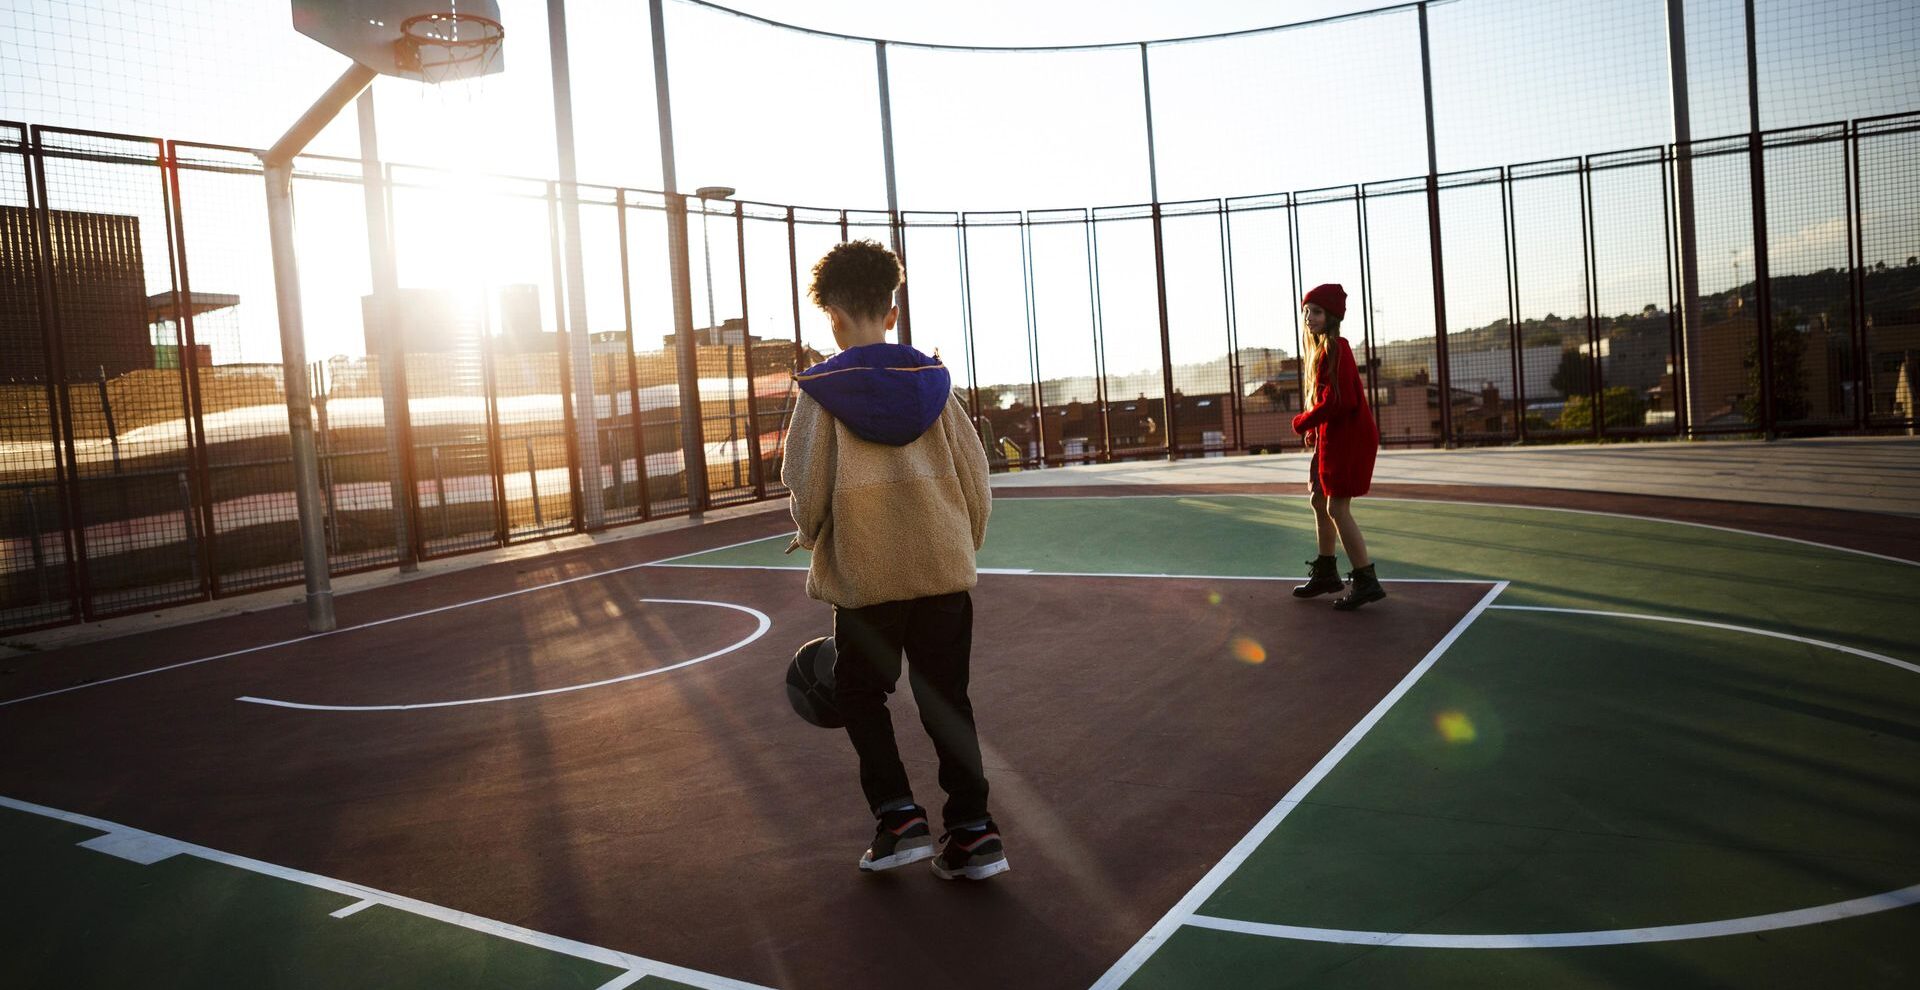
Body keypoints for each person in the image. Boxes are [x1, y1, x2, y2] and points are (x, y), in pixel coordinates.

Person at [781, 239, 1007, 881]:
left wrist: (812, 532)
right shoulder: (932, 382)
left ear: (831, 317)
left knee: (859, 694)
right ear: (892, 309)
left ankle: (898, 818)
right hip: (941, 566)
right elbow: (975, 476)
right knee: (947, 701)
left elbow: (808, 483)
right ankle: (974, 833)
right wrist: (964, 542)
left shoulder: (822, 390)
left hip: (869, 575)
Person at [1289, 283, 1385, 610]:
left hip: (1349, 437)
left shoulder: (1336, 347)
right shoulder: (1320, 349)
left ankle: (1366, 581)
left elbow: (1340, 402)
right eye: (1306, 312)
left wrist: (1304, 420)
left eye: (1315, 312)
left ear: (1331, 316)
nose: (1308, 318)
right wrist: (1316, 428)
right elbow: (1329, 401)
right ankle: (1327, 573)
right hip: (1332, 435)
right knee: (1318, 499)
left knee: (1336, 508)